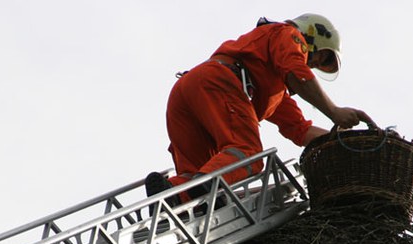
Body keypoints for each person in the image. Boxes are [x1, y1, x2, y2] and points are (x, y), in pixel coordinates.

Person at [146, 13, 374, 207]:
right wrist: (334, 111)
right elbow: (296, 71)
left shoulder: (271, 88)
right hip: (220, 82)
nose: (312, 64)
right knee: (248, 154)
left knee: (194, 173)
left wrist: (345, 141)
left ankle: (173, 194)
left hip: (189, 90)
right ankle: (207, 188)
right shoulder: (287, 34)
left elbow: (299, 130)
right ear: (311, 35)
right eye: (319, 57)